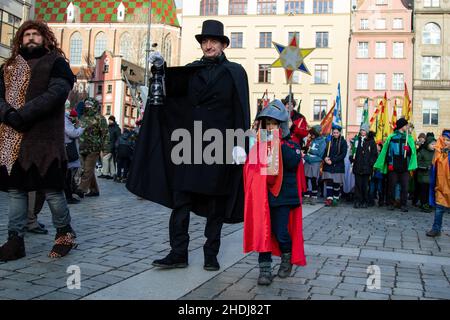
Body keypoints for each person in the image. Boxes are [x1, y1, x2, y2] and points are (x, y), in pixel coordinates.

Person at [127, 20, 250, 271]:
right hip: (189, 143)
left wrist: (240, 143)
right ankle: (178, 252)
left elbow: (241, 109)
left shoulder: (236, 72)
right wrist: (159, 70)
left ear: (223, 44)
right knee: (181, 199)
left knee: (216, 201)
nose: (208, 45)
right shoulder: (191, 71)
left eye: (213, 41)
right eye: (204, 41)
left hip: (221, 144)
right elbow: (167, 93)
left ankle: (210, 253)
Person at [0, 20, 76, 261]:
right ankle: (15, 241)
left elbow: (56, 93)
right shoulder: (9, 66)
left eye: (36, 34)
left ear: (45, 38)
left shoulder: (56, 63)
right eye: (26, 35)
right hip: (13, 140)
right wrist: (8, 114)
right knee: (16, 192)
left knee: (52, 191)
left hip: (44, 140)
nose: (31, 38)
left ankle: (65, 235)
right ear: (20, 39)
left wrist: (22, 114)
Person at [243, 100, 306, 286]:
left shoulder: (291, 145)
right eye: (267, 123)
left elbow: (293, 162)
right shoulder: (259, 146)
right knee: (264, 232)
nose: (270, 127)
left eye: (274, 123)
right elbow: (251, 170)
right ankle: (265, 270)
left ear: (281, 125)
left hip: (283, 197)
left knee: (280, 233)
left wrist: (277, 143)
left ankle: (287, 258)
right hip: (263, 197)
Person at [373, 118, 417, 212]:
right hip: (393, 166)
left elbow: (412, 153)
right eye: (405, 125)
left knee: (405, 187)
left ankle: (403, 204)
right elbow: (388, 152)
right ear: (401, 126)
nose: (406, 127)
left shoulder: (408, 138)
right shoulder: (392, 137)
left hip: (404, 166)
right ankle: (390, 203)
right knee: (391, 185)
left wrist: (408, 150)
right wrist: (390, 164)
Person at [77, 97, 109, 197]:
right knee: (86, 170)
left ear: (94, 106)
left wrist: (106, 149)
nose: (87, 106)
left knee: (87, 170)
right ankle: (94, 190)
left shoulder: (100, 118)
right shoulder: (82, 117)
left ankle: (81, 190)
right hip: (82, 147)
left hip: (93, 148)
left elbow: (105, 134)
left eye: (89, 104)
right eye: (86, 104)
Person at [426, 129, 450, 237]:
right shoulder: (438, 154)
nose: (445, 142)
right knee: (439, 209)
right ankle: (436, 229)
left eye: (448, 140)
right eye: (444, 139)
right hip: (441, 186)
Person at [350, 124, 378, 209]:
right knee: (358, 185)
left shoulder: (371, 141)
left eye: (364, 130)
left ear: (367, 131)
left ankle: (365, 201)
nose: (362, 132)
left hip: (367, 167)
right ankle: (357, 201)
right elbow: (352, 152)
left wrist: (370, 163)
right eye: (361, 130)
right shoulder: (356, 140)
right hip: (357, 166)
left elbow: (374, 154)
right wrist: (352, 158)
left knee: (365, 185)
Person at [322, 126, 348, 206]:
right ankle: (329, 198)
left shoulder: (343, 142)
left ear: (340, 133)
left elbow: (343, 155)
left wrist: (332, 161)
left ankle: (335, 198)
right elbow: (324, 152)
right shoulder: (329, 141)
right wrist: (325, 158)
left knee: (336, 183)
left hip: (338, 165)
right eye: (334, 133)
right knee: (329, 182)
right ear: (332, 133)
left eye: (337, 133)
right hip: (328, 166)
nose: (335, 134)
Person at [64, 108, 84, 203]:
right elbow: (73, 133)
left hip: (67, 149)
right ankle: (69, 197)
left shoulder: (65, 119)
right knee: (68, 176)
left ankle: (71, 193)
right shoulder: (65, 119)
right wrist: (81, 127)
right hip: (67, 150)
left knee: (69, 175)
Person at [303, 125, 326, 205]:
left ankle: (314, 197)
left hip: (315, 162)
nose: (312, 135)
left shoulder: (322, 141)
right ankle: (306, 195)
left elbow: (320, 154)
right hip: (308, 160)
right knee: (306, 178)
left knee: (313, 179)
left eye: (313, 133)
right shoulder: (311, 140)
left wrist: (308, 156)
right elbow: (307, 150)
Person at [416, 135, 436, 213]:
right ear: (427, 144)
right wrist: (425, 167)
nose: (434, 146)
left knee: (430, 191)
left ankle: (429, 204)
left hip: (432, 176)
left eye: (435, 144)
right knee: (424, 192)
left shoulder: (436, 152)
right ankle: (424, 204)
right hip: (423, 177)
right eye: (432, 144)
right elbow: (417, 163)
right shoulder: (422, 152)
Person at [99, 115, 121, 180]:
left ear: (113, 120)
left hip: (112, 146)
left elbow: (118, 139)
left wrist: (115, 146)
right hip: (106, 146)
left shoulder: (117, 128)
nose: (109, 121)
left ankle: (105, 173)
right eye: (108, 120)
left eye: (110, 120)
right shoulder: (108, 127)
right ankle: (113, 174)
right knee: (111, 160)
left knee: (105, 159)